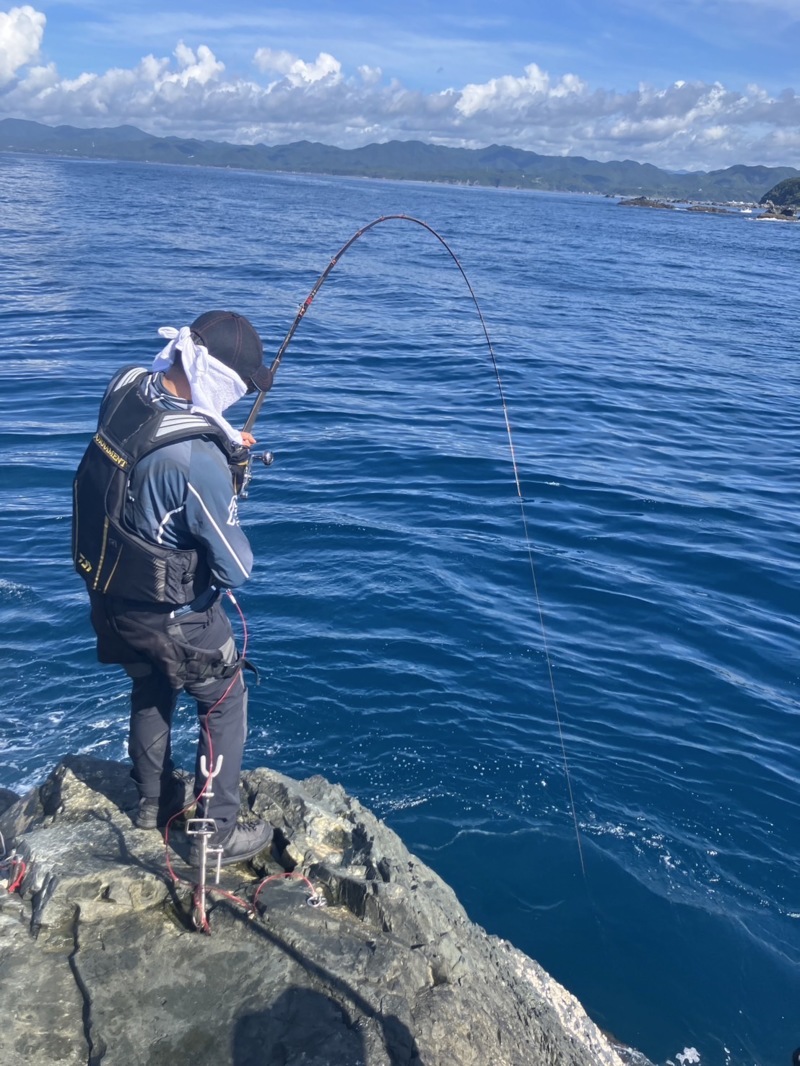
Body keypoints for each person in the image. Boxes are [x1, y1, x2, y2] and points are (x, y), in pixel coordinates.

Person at [72, 310, 274, 867]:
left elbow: (156, 449)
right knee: (224, 698)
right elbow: (236, 569)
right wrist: (222, 473)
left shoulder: (125, 387)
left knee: (152, 684)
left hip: (108, 597)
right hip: (173, 615)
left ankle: (151, 805)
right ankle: (215, 836)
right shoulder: (198, 462)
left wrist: (222, 445)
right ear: (221, 378)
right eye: (241, 384)